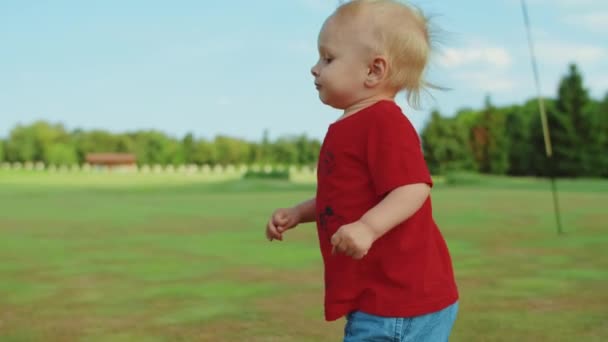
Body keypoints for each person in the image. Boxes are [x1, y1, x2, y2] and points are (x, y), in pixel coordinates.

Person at [265, 1, 459, 340]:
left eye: (328, 58)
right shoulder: (350, 126)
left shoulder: (383, 122)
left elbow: (413, 188)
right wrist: (298, 212)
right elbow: (344, 197)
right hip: (381, 300)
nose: (315, 68)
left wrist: (368, 227)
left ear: (373, 71)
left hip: (398, 303)